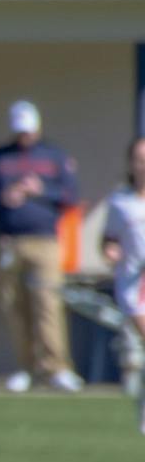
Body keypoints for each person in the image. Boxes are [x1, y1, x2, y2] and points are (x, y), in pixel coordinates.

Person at [0, 100, 83, 393]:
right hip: (9, 241)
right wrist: (3, 195)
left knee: (47, 304)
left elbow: (71, 195)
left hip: (46, 241)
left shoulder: (54, 155)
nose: (25, 136)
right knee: (14, 305)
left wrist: (41, 190)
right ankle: (26, 367)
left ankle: (56, 368)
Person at [99, 136, 145, 434]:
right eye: (139, 159)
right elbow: (108, 240)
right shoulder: (120, 202)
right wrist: (110, 252)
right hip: (135, 285)